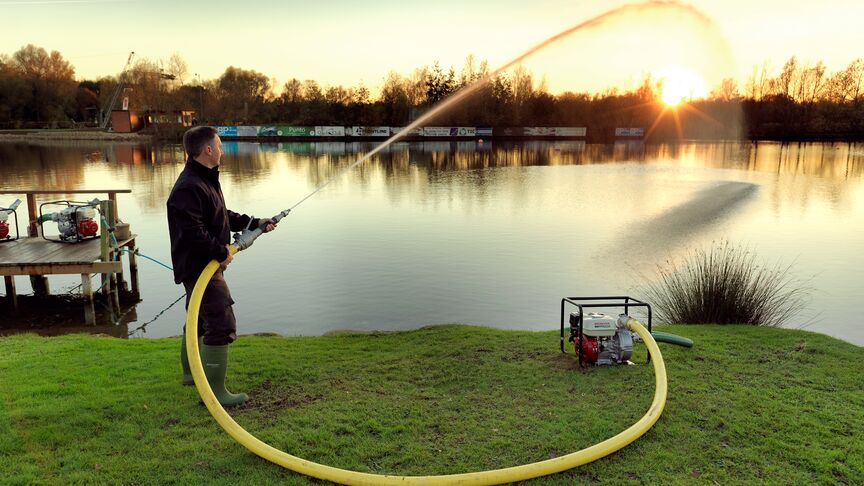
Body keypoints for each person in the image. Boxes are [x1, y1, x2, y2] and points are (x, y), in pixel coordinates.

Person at [167, 126, 276, 407]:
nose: (223, 150)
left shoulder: (204, 179)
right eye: (219, 144)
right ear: (207, 150)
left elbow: (219, 216)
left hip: (204, 264)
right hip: (200, 267)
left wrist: (254, 222)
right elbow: (193, 231)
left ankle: (191, 375)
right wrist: (221, 252)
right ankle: (215, 394)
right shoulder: (188, 187)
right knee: (221, 322)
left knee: (198, 320)